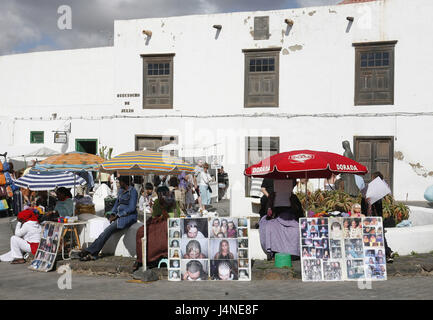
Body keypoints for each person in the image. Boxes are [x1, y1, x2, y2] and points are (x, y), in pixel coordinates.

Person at [79, 176, 138, 261]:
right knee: (105, 232)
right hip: (118, 216)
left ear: (124, 182)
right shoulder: (121, 191)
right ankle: (93, 253)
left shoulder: (133, 192)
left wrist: (118, 215)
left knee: (107, 231)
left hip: (128, 217)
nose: (118, 184)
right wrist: (112, 213)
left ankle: (91, 251)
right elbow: (116, 204)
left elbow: (132, 208)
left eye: (119, 182)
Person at [133, 186, 179, 271]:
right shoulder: (157, 202)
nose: (160, 197)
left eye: (162, 195)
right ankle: (141, 258)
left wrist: (163, 208)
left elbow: (171, 219)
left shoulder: (173, 203)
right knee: (141, 231)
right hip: (157, 223)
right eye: (158, 195)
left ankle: (154, 256)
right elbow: (155, 216)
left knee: (159, 235)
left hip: (168, 224)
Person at [361, 171, 394, 262]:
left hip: (374, 218)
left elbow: (378, 208)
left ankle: (387, 253)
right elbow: (363, 205)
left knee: (379, 236)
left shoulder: (378, 193)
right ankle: (388, 253)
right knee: (379, 236)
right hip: (371, 217)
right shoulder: (369, 191)